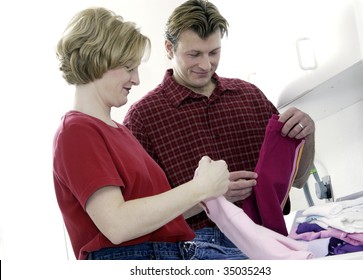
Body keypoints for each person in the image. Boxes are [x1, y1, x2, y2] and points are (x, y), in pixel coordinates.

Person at [123, 0, 316, 259]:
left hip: (270, 239)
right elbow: (140, 218)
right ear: (169, 49)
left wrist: (308, 134)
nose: (206, 64)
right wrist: (209, 196)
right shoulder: (142, 118)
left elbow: (299, 179)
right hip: (200, 249)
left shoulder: (250, 96)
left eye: (214, 52)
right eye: (194, 55)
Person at [52, 7, 232, 260]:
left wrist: (209, 192)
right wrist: (199, 188)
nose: (135, 80)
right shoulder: (77, 131)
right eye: (128, 68)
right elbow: (117, 225)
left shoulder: (120, 132)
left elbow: (153, 217)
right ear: (96, 61)